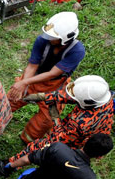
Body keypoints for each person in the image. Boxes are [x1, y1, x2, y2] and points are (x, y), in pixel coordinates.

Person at [0, 75, 113, 177]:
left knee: (39, 147)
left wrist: (55, 117)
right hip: (92, 133)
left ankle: (7, 167)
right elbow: (70, 97)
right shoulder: (104, 97)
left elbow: (58, 137)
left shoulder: (80, 123)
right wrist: (42, 97)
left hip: (76, 141)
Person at [7, 11, 86, 143]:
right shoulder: (42, 40)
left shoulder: (77, 51)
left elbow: (53, 73)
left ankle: (27, 139)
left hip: (55, 86)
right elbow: (32, 65)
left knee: (47, 119)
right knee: (11, 99)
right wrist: (24, 84)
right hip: (33, 78)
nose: (48, 37)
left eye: (52, 37)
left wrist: (25, 82)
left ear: (65, 38)